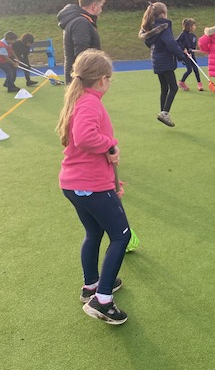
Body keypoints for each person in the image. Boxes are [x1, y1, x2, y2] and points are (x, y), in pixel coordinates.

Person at [56, 49, 131, 325]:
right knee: (121, 236)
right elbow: (85, 137)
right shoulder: (89, 103)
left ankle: (91, 285)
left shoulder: (81, 99)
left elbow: (83, 146)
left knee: (94, 231)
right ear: (101, 80)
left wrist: (111, 179)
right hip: (89, 186)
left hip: (77, 183)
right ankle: (102, 299)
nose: (109, 84)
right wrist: (110, 145)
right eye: (109, 79)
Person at [139, 2, 186, 127]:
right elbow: (170, 43)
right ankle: (165, 113)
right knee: (173, 87)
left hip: (157, 60)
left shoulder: (150, 27)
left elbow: (149, 43)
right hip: (165, 60)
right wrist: (181, 56)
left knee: (164, 87)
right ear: (164, 13)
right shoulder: (164, 27)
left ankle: (162, 112)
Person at [57, 0, 106, 84]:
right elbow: (82, 54)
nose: (101, 10)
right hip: (82, 81)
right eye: (101, 6)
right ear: (94, 6)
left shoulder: (80, 21)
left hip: (80, 79)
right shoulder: (81, 22)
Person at [176, 18, 202, 91]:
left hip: (191, 54)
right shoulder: (183, 34)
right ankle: (181, 82)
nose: (195, 27)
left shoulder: (193, 36)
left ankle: (199, 83)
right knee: (189, 70)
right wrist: (183, 49)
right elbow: (177, 42)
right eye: (194, 25)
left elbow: (192, 47)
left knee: (196, 68)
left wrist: (191, 52)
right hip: (185, 55)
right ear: (189, 26)